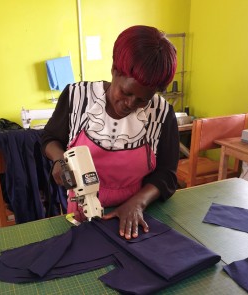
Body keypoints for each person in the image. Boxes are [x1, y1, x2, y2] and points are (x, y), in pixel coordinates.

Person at [41, 25, 179, 240]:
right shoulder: (77, 97)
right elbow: (50, 138)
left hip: (137, 211)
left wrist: (136, 203)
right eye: (125, 92)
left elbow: (167, 174)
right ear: (114, 70)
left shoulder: (161, 113)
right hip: (79, 208)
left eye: (142, 100)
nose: (130, 104)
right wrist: (59, 160)